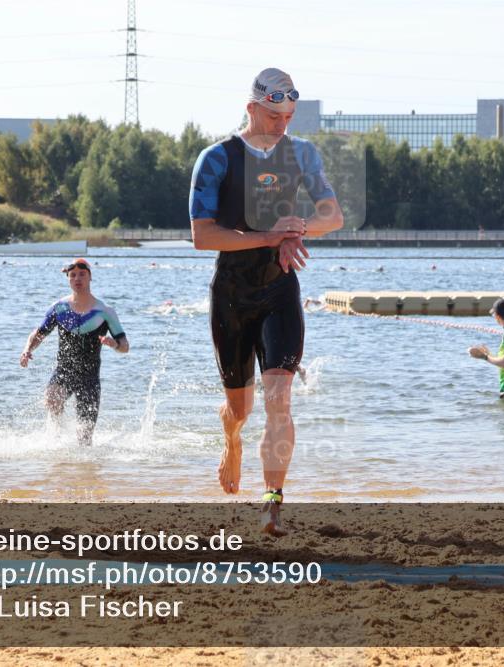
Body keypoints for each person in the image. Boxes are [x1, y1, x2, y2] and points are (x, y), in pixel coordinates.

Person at [189, 67, 343, 534]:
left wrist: (296, 228)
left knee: (279, 398)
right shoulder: (217, 159)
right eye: (275, 115)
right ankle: (231, 442)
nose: (283, 125)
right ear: (252, 108)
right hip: (231, 296)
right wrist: (267, 236)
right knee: (241, 410)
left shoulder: (301, 155)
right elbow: (202, 236)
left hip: (280, 290)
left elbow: (332, 215)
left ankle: (272, 502)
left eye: (289, 116)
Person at [20, 258, 129, 447]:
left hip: (90, 377)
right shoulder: (59, 308)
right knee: (52, 398)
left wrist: (113, 344)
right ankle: (56, 441)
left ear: (90, 277)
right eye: (72, 275)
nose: (77, 278)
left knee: (84, 438)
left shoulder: (104, 312)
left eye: (82, 274)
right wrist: (27, 350)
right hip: (65, 370)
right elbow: (38, 334)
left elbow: (125, 346)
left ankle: (85, 469)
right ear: (68, 279)